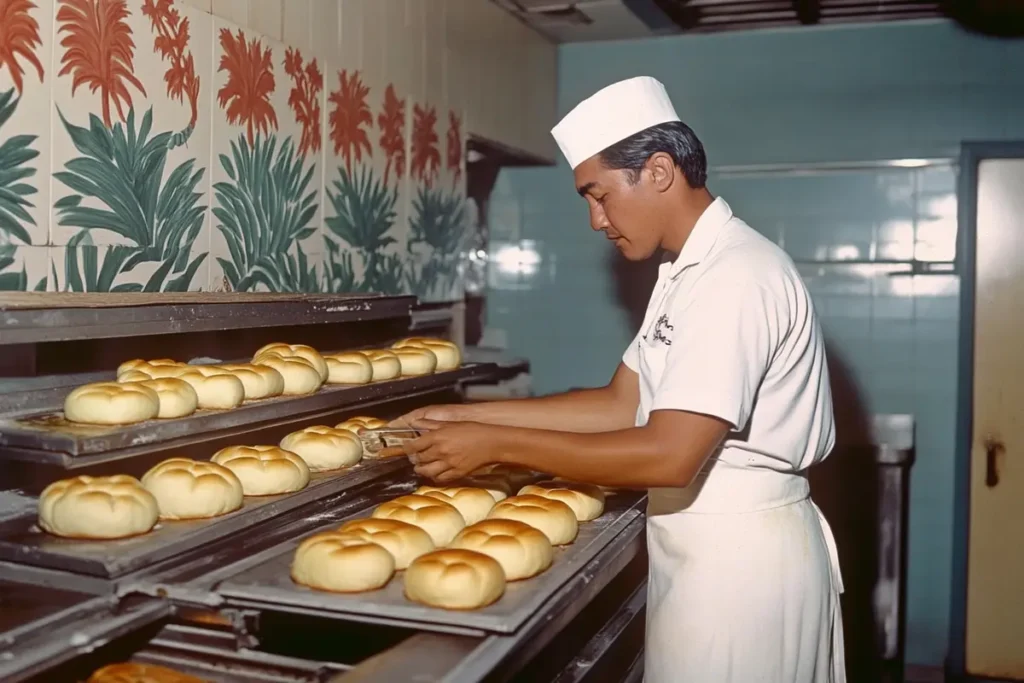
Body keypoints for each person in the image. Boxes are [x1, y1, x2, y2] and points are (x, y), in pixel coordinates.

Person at [395, 76, 845, 683]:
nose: (594, 219)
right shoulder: (685, 272)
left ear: (658, 171)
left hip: (742, 571)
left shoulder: (735, 276)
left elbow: (671, 454)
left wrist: (495, 444)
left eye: (599, 194)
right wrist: (461, 418)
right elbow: (620, 401)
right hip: (702, 551)